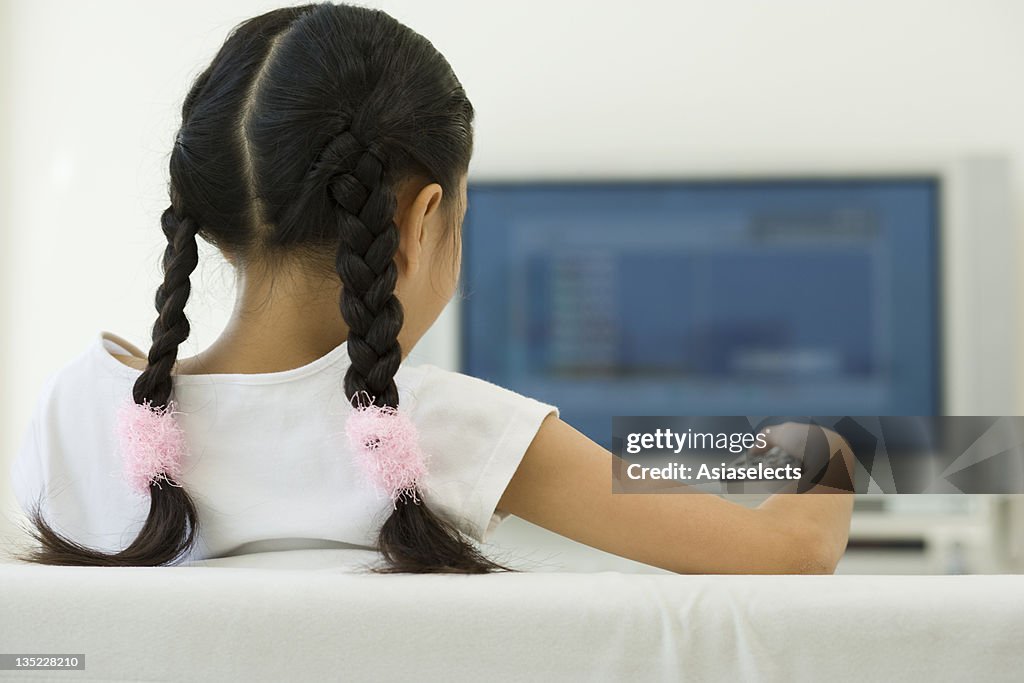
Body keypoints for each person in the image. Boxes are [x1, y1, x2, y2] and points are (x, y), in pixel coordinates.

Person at [8, 2, 853, 574]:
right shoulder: (451, 430)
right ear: (420, 223)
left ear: (208, 215)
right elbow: (789, 549)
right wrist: (824, 447)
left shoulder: (76, 407)